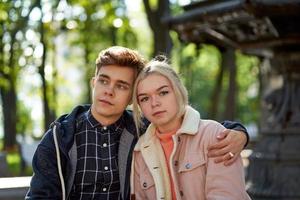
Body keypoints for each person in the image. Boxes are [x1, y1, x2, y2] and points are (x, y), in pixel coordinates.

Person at [26, 46, 248, 200]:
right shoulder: (60, 137)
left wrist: (239, 133)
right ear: (94, 83)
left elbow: (194, 126)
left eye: (121, 85)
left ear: (132, 96)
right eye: (104, 81)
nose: (109, 91)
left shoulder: (141, 131)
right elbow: (40, 195)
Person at [131, 55, 251, 200]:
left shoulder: (214, 135)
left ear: (178, 91)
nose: (154, 103)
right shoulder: (140, 151)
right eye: (145, 98)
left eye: (163, 92)